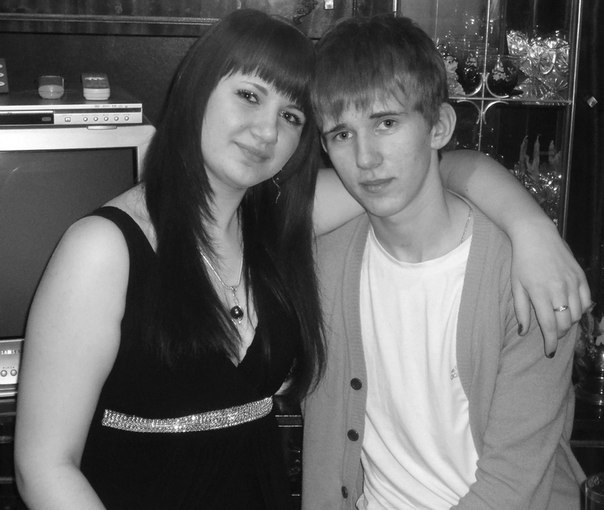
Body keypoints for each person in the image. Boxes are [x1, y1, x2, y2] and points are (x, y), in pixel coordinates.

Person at [14, 8, 587, 510]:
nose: (266, 130)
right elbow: (43, 466)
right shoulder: (104, 248)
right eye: (248, 95)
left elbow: (433, 170)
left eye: (291, 116)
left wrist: (531, 226)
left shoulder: (280, 227)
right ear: (195, 90)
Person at [302, 14, 585, 510]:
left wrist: (530, 227)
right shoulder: (325, 264)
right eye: (342, 134)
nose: (365, 158)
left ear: (439, 127)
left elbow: (513, 486)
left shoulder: (528, 277)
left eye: (386, 123)